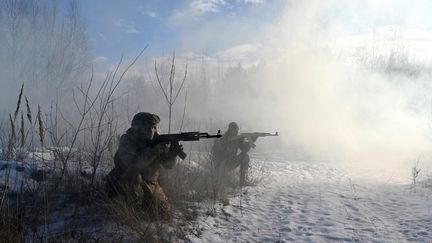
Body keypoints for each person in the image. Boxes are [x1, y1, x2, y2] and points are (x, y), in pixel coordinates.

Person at [105, 112, 183, 220]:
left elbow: (168, 166)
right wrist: (155, 151)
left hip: (150, 183)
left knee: (163, 215)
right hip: (124, 181)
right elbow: (134, 165)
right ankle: (129, 212)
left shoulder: (157, 141)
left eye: (143, 128)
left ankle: (143, 207)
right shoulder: (127, 140)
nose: (138, 131)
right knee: (133, 175)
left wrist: (173, 155)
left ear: (154, 128)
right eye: (136, 127)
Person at [211, 122, 255, 186]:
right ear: (230, 130)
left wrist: (251, 141)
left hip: (231, 163)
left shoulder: (236, 139)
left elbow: (245, 149)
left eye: (237, 130)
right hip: (221, 165)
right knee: (220, 184)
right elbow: (215, 152)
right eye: (235, 130)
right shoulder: (223, 138)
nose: (237, 131)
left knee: (245, 156)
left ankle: (242, 182)